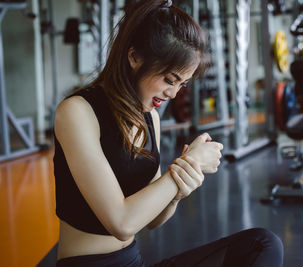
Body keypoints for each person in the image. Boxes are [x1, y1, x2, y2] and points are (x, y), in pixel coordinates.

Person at [53, 0, 284, 266]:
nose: (174, 93)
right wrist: (187, 166)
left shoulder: (150, 117)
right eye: (170, 80)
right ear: (134, 57)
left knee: (261, 245)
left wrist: (179, 190)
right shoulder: (77, 112)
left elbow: (153, 220)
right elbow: (122, 223)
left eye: (182, 84)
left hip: (133, 260)